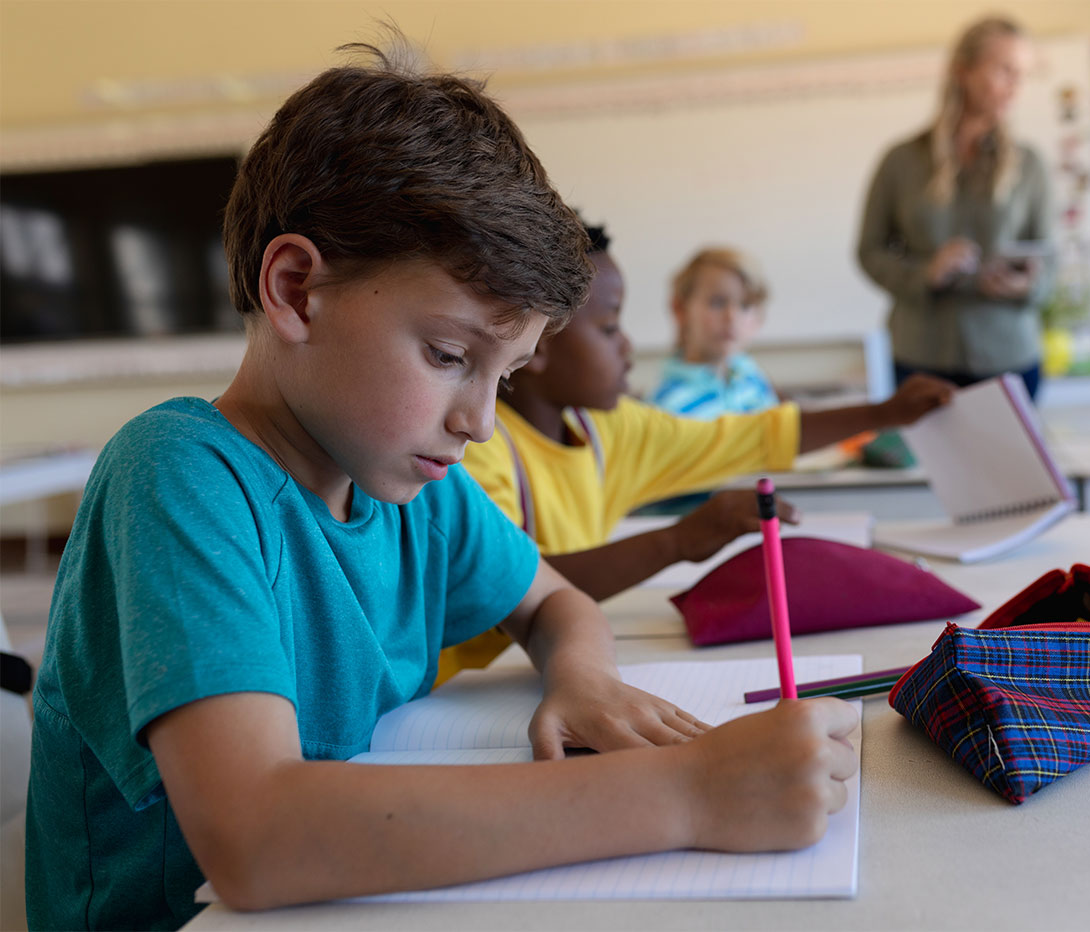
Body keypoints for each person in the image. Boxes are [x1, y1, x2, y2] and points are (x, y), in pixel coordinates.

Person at [24, 42, 861, 931]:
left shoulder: (415, 495)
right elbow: (256, 837)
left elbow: (556, 603)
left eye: (504, 377)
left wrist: (583, 678)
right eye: (450, 356)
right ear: (296, 290)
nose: (481, 421)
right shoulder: (180, 475)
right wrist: (687, 794)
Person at [457, 223, 952, 661]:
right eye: (610, 328)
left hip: (551, 666)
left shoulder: (608, 431)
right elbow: (513, 590)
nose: (628, 346)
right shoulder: (479, 448)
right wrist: (678, 541)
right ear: (535, 345)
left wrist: (884, 412)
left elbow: (747, 437)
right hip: (469, 693)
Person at [857, 15, 1052, 400]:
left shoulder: (1030, 165)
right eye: (1004, 71)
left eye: (1022, 75)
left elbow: (1050, 258)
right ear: (962, 72)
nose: (1015, 87)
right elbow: (869, 251)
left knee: (1008, 463)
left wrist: (1025, 283)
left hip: (1009, 356)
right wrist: (924, 274)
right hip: (921, 356)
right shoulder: (900, 161)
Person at [649, 246, 778, 418]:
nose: (731, 317)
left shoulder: (751, 376)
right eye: (717, 303)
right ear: (680, 309)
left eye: (745, 305)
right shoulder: (664, 407)